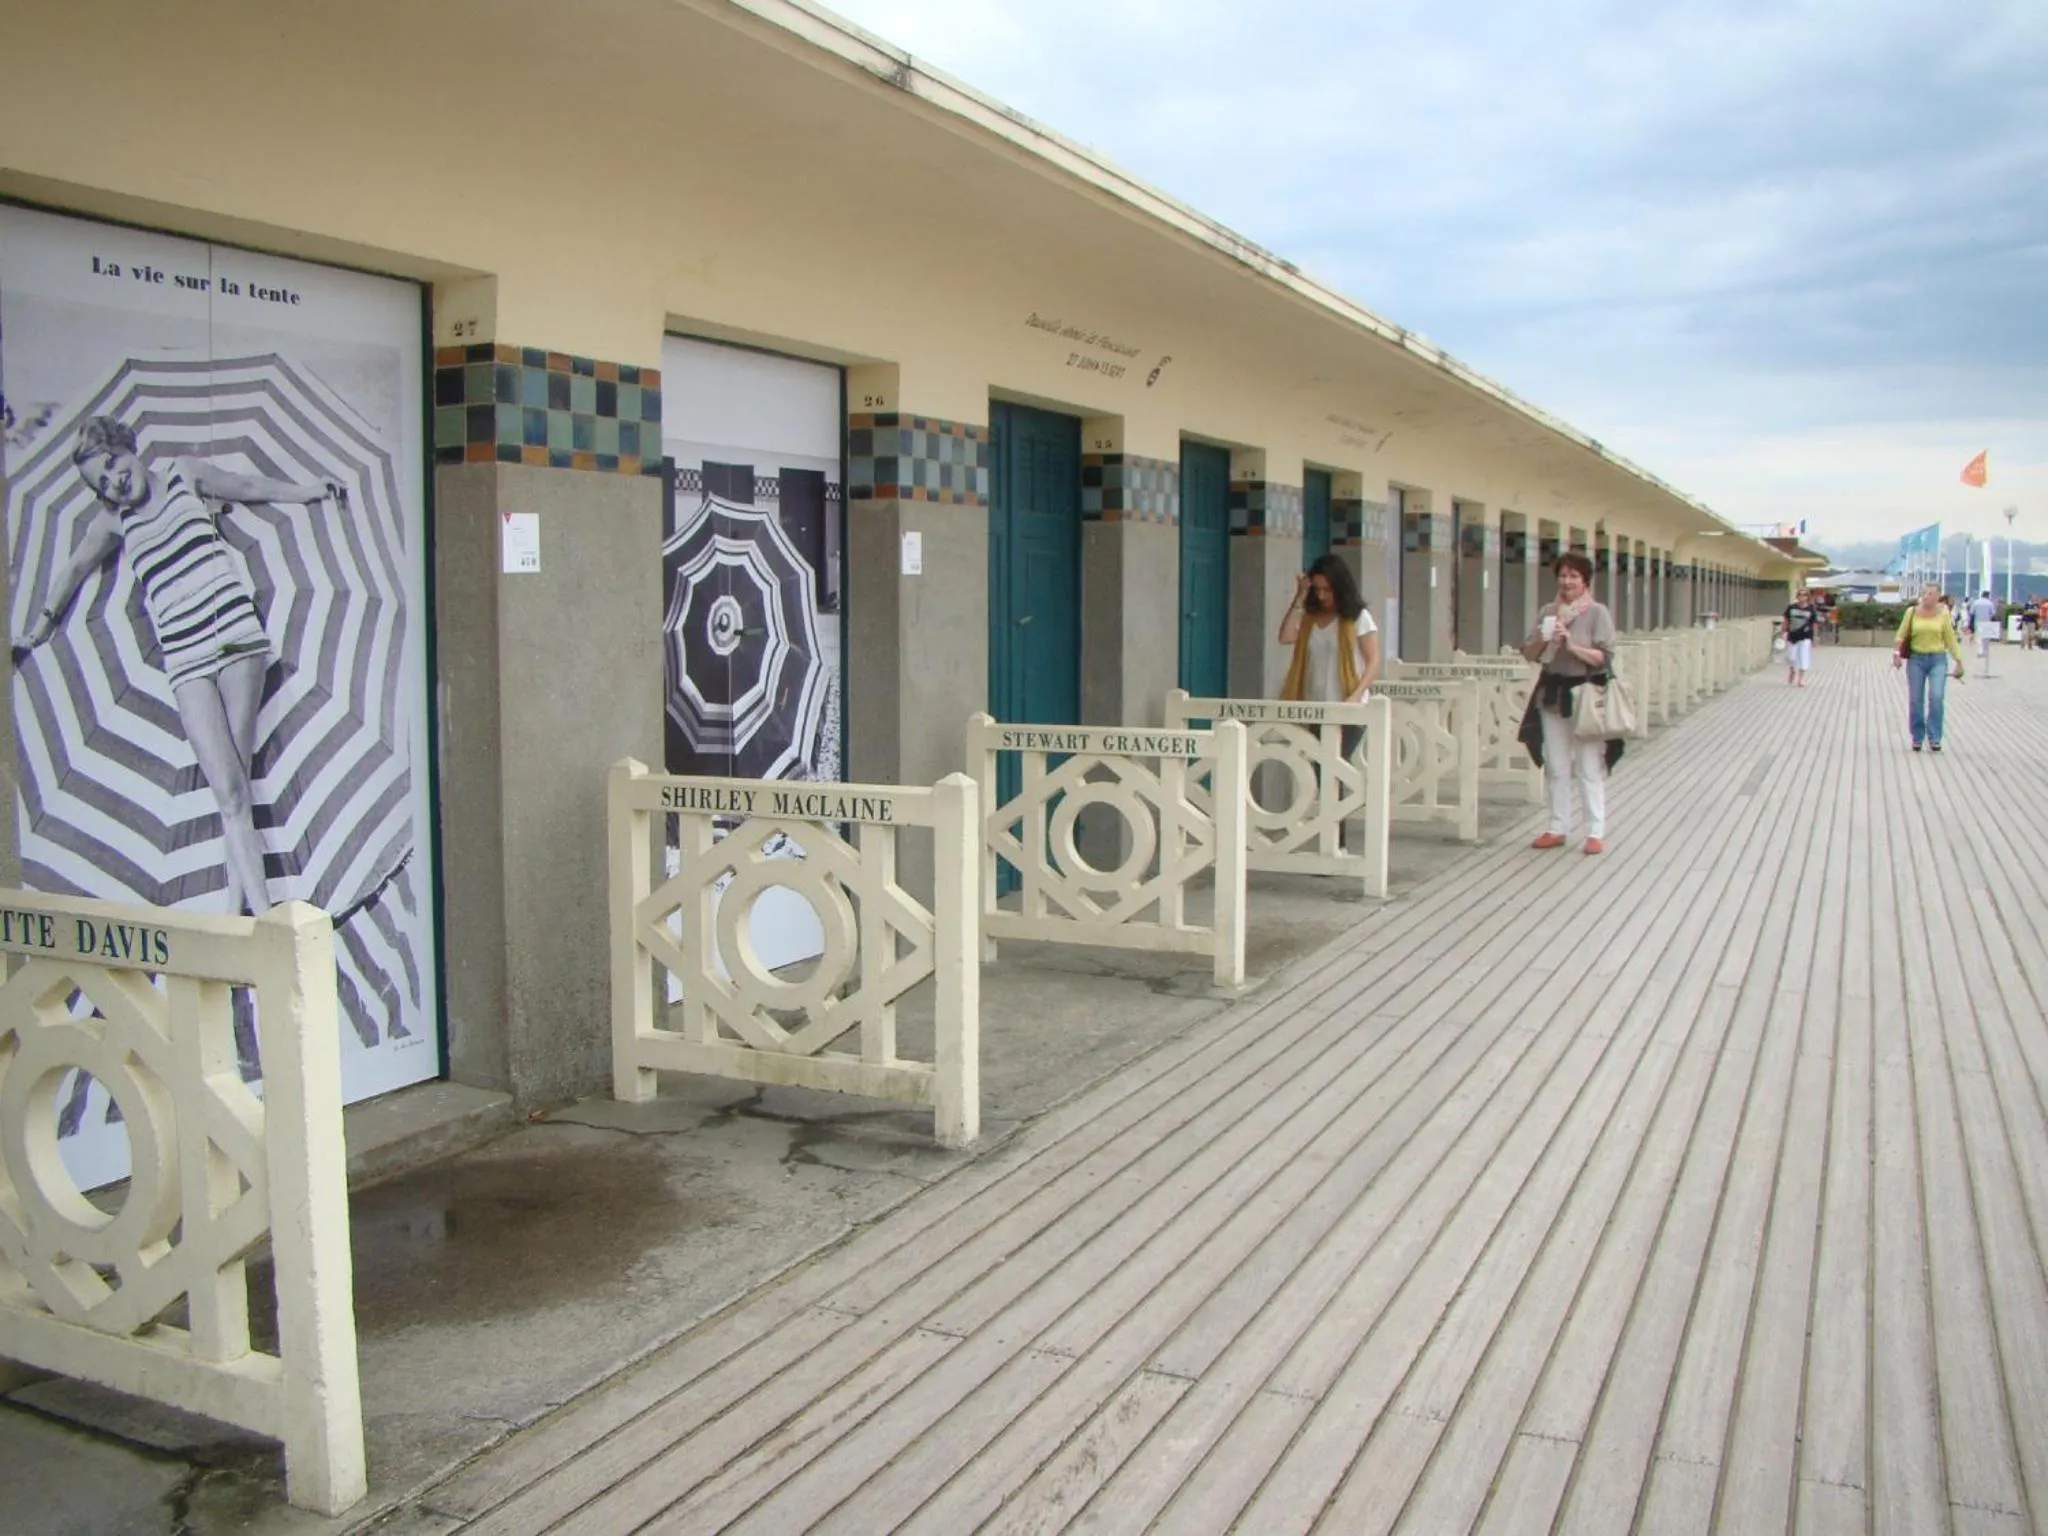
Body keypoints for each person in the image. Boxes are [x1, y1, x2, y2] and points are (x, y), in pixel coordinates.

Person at [13, 415, 345, 915]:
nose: (114, 480)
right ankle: (248, 917)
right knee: (229, 788)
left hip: (233, 636)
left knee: (232, 789)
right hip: (185, 659)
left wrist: (308, 492)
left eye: (113, 463)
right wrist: (39, 628)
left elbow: (248, 487)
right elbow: (75, 567)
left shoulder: (182, 474)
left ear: (126, 447)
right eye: (102, 482)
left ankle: (249, 918)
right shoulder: (114, 523)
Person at [1518, 551, 1617, 854]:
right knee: (1556, 765)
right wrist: (1545, 638)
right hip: (1552, 692)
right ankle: (1557, 827)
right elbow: (1529, 653)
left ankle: (1595, 831)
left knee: (1588, 765)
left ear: (1585, 581)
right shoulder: (1548, 611)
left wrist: (1571, 644)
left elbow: (1604, 657)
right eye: (1563, 575)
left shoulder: (1597, 613)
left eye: (1574, 576)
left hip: (1585, 693)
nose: (1567, 581)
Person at [1279, 554, 1382, 756]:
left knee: (1335, 765)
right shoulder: (1309, 619)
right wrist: (1300, 596)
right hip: (1314, 707)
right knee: (1317, 767)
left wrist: (1356, 695)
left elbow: (1373, 661)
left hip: (1347, 706)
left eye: (1327, 590)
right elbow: (1286, 636)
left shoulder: (1358, 618)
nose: (1322, 596)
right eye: (1317, 589)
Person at [1893, 583, 1964, 752]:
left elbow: (1950, 638)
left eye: (1931, 594)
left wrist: (1958, 660)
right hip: (1916, 659)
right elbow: (1901, 635)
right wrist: (1897, 655)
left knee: (1936, 697)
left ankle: (1935, 737)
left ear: (1938, 597)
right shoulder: (1911, 612)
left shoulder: (1943, 613)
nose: (1926, 597)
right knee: (1915, 699)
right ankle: (1917, 736)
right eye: (1924, 593)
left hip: (1937, 659)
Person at [1782, 587, 1820, 686]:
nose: (1802, 597)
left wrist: (1815, 637)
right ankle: (1792, 670)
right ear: (1797, 596)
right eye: (1800, 595)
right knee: (1791, 657)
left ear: (1808, 597)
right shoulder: (1791, 607)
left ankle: (1801, 679)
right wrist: (1784, 631)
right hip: (1792, 635)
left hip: (1805, 636)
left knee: (1803, 656)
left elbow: (1814, 623)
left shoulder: (1811, 609)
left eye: (1804, 595)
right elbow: (1786, 620)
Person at [1970, 589, 1998, 666]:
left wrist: (1970, 624)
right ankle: (1985, 651)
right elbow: (1993, 613)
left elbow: (1972, 613)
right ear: (1988, 596)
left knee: (1978, 638)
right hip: (1987, 622)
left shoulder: (1976, 602)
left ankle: (1980, 651)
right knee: (1986, 638)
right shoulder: (1990, 603)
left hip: (1977, 622)